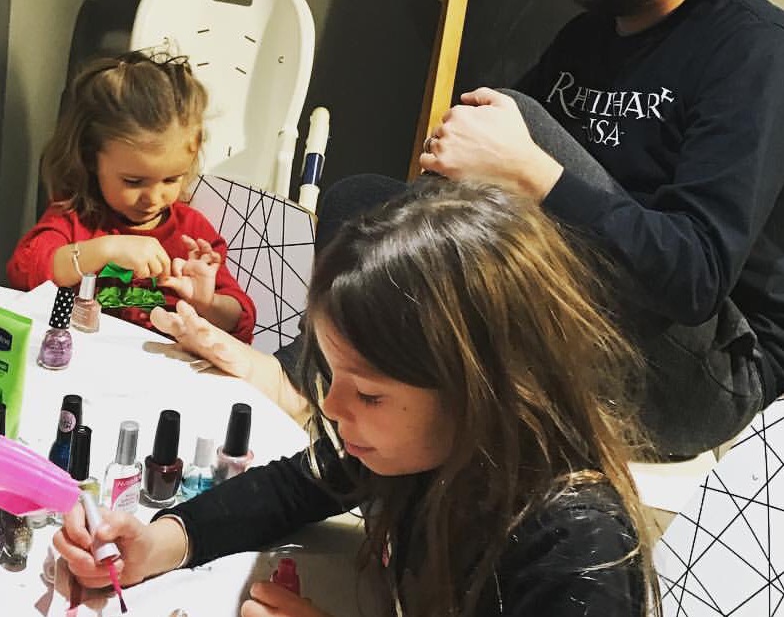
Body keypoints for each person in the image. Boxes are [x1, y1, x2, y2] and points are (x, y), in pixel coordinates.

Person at [310, 0, 784, 458]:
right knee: (357, 204)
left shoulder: (754, 50)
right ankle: (334, 391)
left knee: (520, 121)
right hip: (578, 312)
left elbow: (695, 278)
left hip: (703, 374)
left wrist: (534, 175)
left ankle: (333, 390)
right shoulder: (588, 35)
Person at [54, 181, 658, 617]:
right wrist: (160, 543)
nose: (334, 409)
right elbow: (292, 487)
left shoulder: (575, 551)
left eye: (368, 394)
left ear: (481, 392)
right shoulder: (419, 448)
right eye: (333, 375)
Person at [6, 51, 256, 343]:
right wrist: (106, 249)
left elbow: (241, 322)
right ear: (91, 158)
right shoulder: (77, 217)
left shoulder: (192, 231)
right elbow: (24, 271)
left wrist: (207, 303)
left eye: (171, 179)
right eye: (134, 181)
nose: (153, 197)